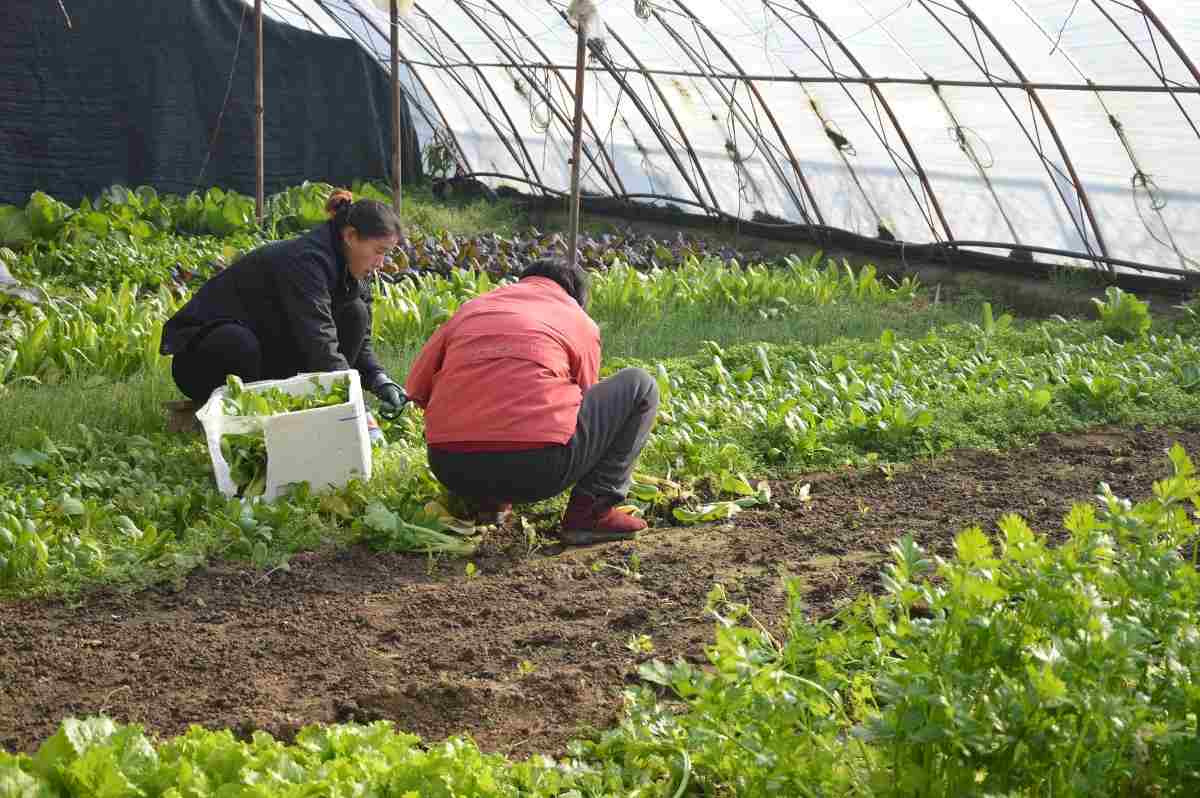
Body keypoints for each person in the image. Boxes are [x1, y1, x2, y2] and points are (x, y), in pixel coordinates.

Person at [402, 257, 660, 546]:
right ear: (576, 297)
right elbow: (584, 397)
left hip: (451, 466)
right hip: (540, 468)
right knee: (641, 385)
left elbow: (416, 388)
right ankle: (590, 513)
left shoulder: (471, 309)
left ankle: (487, 504)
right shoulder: (576, 318)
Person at [160, 191, 407, 421]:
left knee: (356, 313)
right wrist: (357, 407)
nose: (381, 263)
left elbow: (360, 341)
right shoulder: (307, 262)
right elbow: (319, 339)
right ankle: (240, 418)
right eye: (379, 251)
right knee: (237, 342)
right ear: (351, 236)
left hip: (265, 350)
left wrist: (379, 380)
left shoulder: (354, 270)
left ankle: (312, 408)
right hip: (202, 359)